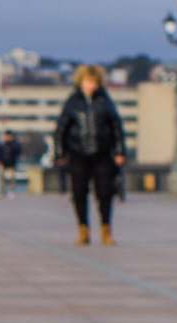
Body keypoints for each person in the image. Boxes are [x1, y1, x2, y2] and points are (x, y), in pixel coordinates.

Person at [55, 63, 128, 244]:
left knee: (105, 192)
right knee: (79, 193)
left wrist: (119, 151)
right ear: (81, 81)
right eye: (88, 81)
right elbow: (61, 129)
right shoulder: (73, 102)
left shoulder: (105, 101)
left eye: (95, 82)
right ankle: (83, 230)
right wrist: (60, 153)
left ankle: (106, 229)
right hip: (77, 153)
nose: (91, 85)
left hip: (102, 153)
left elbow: (116, 127)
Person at [0, 130, 23, 196]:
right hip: (4, 163)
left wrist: (13, 142)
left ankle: (12, 190)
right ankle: (3, 191)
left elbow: (18, 152)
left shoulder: (14, 143)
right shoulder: (3, 144)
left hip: (12, 163)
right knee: (2, 178)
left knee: (12, 178)